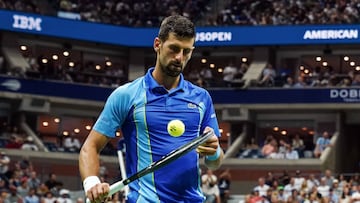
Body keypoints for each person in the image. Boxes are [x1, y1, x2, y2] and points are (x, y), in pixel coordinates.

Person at [79, 15, 224, 203]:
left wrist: (213, 151)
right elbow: (90, 147)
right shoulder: (127, 95)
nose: (179, 57)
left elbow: (214, 163)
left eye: (186, 51)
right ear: (157, 44)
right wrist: (92, 183)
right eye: (174, 48)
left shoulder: (202, 98)